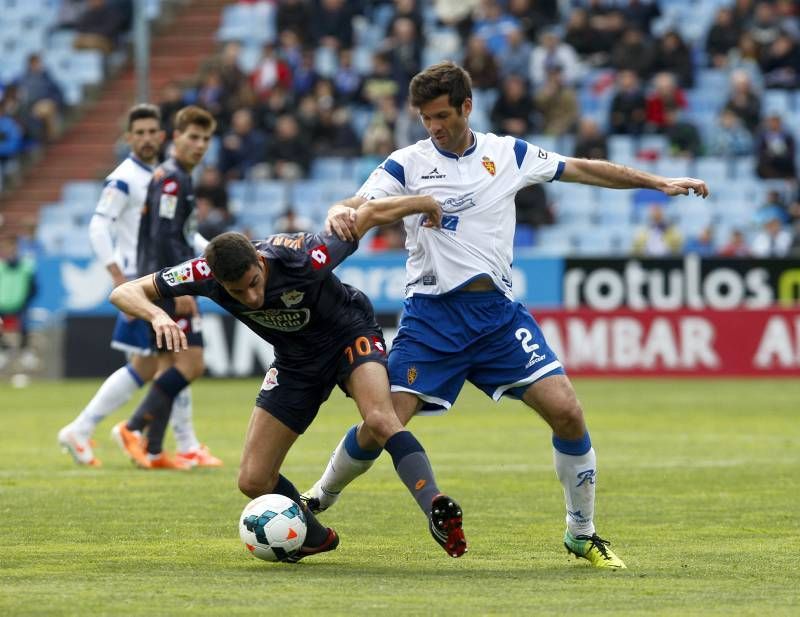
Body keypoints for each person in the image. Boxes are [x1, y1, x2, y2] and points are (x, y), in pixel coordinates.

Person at [303, 61, 710, 570]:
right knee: (382, 422)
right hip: (431, 319)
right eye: (426, 117)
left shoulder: (508, 153)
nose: (434, 126)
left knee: (567, 411)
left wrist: (659, 182)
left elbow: (582, 168)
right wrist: (338, 212)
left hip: (497, 318)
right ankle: (318, 497)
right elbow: (354, 204)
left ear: (467, 107)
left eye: (443, 115)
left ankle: (581, 533)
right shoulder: (405, 163)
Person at [107, 196, 468, 560]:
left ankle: (434, 506)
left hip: (349, 335)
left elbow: (370, 214)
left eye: (254, 282)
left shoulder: (304, 257)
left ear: (259, 261)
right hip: (296, 362)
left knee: (379, 417)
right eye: (236, 292)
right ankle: (315, 536)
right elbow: (123, 292)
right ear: (215, 280)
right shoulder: (201, 274)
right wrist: (157, 316)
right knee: (253, 480)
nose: (251, 297)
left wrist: (424, 202)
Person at [57, 104, 221, 469]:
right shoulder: (126, 178)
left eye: (152, 131)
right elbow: (100, 226)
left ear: (162, 136)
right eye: (140, 132)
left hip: (156, 278)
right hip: (147, 280)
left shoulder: (159, 175)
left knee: (159, 363)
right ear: (128, 137)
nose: (147, 138)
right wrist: (118, 276)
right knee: (176, 361)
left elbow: (183, 232)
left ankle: (154, 445)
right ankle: (131, 434)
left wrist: (215, 253)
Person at [111, 105, 218, 470]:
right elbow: (164, 236)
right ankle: (132, 427)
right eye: (192, 137)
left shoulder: (174, 176)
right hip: (169, 283)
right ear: (175, 138)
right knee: (192, 362)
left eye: (205, 139)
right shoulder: (173, 179)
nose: (199, 145)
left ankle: (153, 450)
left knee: (169, 362)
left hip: (165, 280)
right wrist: (181, 287)